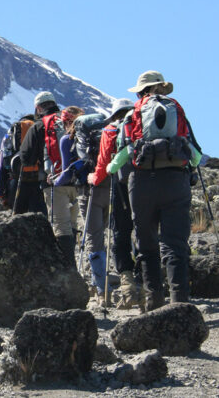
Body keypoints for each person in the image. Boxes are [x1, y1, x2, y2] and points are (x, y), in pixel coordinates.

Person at [106, 71, 201, 310]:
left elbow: (123, 152)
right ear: (162, 89)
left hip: (142, 184)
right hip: (175, 182)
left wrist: (110, 167)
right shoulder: (177, 110)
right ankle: (180, 304)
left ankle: (154, 305)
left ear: (141, 92)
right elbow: (195, 155)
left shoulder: (132, 114)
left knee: (147, 247)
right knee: (175, 245)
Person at [88, 98, 142, 309]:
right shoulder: (141, 124)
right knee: (143, 232)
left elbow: (103, 162)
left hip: (121, 186)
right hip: (147, 183)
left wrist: (95, 178)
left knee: (120, 232)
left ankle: (127, 291)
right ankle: (147, 285)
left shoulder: (111, 130)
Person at [20, 92, 79, 264]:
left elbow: (25, 158)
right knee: (73, 225)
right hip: (78, 181)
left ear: (38, 108)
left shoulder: (39, 126)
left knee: (61, 227)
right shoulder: (71, 120)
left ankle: (68, 269)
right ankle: (74, 264)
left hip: (53, 182)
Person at [0, 114, 47, 215]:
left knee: (19, 219)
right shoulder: (41, 131)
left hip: (16, 182)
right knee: (40, 218)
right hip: (39, 182)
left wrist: (2, 194)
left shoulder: (9, 136)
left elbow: (1, 167)